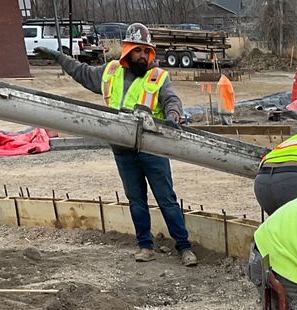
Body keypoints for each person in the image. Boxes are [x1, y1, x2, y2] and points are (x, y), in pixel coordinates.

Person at [35, 24, 197, 266]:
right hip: (122, 150)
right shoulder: (110, 71)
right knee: (136, 201)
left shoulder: (157, 76)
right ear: (128, 50)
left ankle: (184, 248)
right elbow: (82, 72)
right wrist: (60, 57)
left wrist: (174, 114)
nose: (143, 55)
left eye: (146, 51)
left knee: (167, 200)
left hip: (152, 148)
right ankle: (145, 246)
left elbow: (171, 99)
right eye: (138, 51)